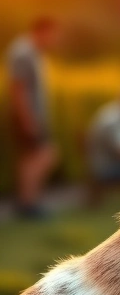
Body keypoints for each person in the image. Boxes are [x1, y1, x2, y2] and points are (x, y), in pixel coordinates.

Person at [6, 16, 60, 219]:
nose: (53, 40)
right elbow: (18, 87)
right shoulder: (23, 52)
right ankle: (28, 203)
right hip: (27, 115)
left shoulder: (33, 52)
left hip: (32, 115)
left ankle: (27, 202)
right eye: (52, 35)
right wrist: (27, 120)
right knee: (46, 155)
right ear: (42, 31)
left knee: (29, 159)